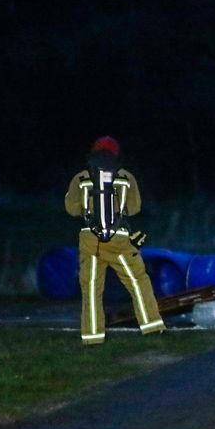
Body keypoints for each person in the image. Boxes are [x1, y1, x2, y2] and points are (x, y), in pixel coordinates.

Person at [63, 136, 164, 345]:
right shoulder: (126, 177)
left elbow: (71, 209)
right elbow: (134, 208)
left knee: (91, 289)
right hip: (119, 240)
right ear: (115, 154)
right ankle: (152, 327)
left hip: (90, 240)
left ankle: (92, 338)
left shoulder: (81, 178)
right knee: (138, 281)